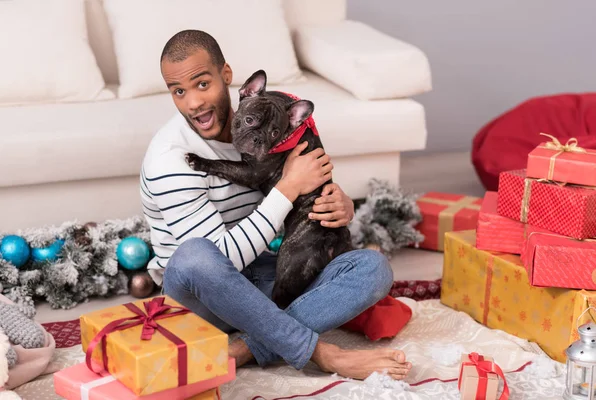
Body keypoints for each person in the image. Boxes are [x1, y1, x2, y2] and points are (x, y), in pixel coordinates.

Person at [139, 29, 412, 380]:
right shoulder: (170, 158)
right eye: (179, 91)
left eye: (202, 84)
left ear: (227, 77)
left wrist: (338, 203)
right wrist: (288, 186)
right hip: (199, 298)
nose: (193, 103)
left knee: (374, 268)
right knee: (194, 254)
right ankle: (321, 353)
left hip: (263, 277)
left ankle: (249, 347)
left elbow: (299, 196)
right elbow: (220, 259)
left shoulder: (267, 126)